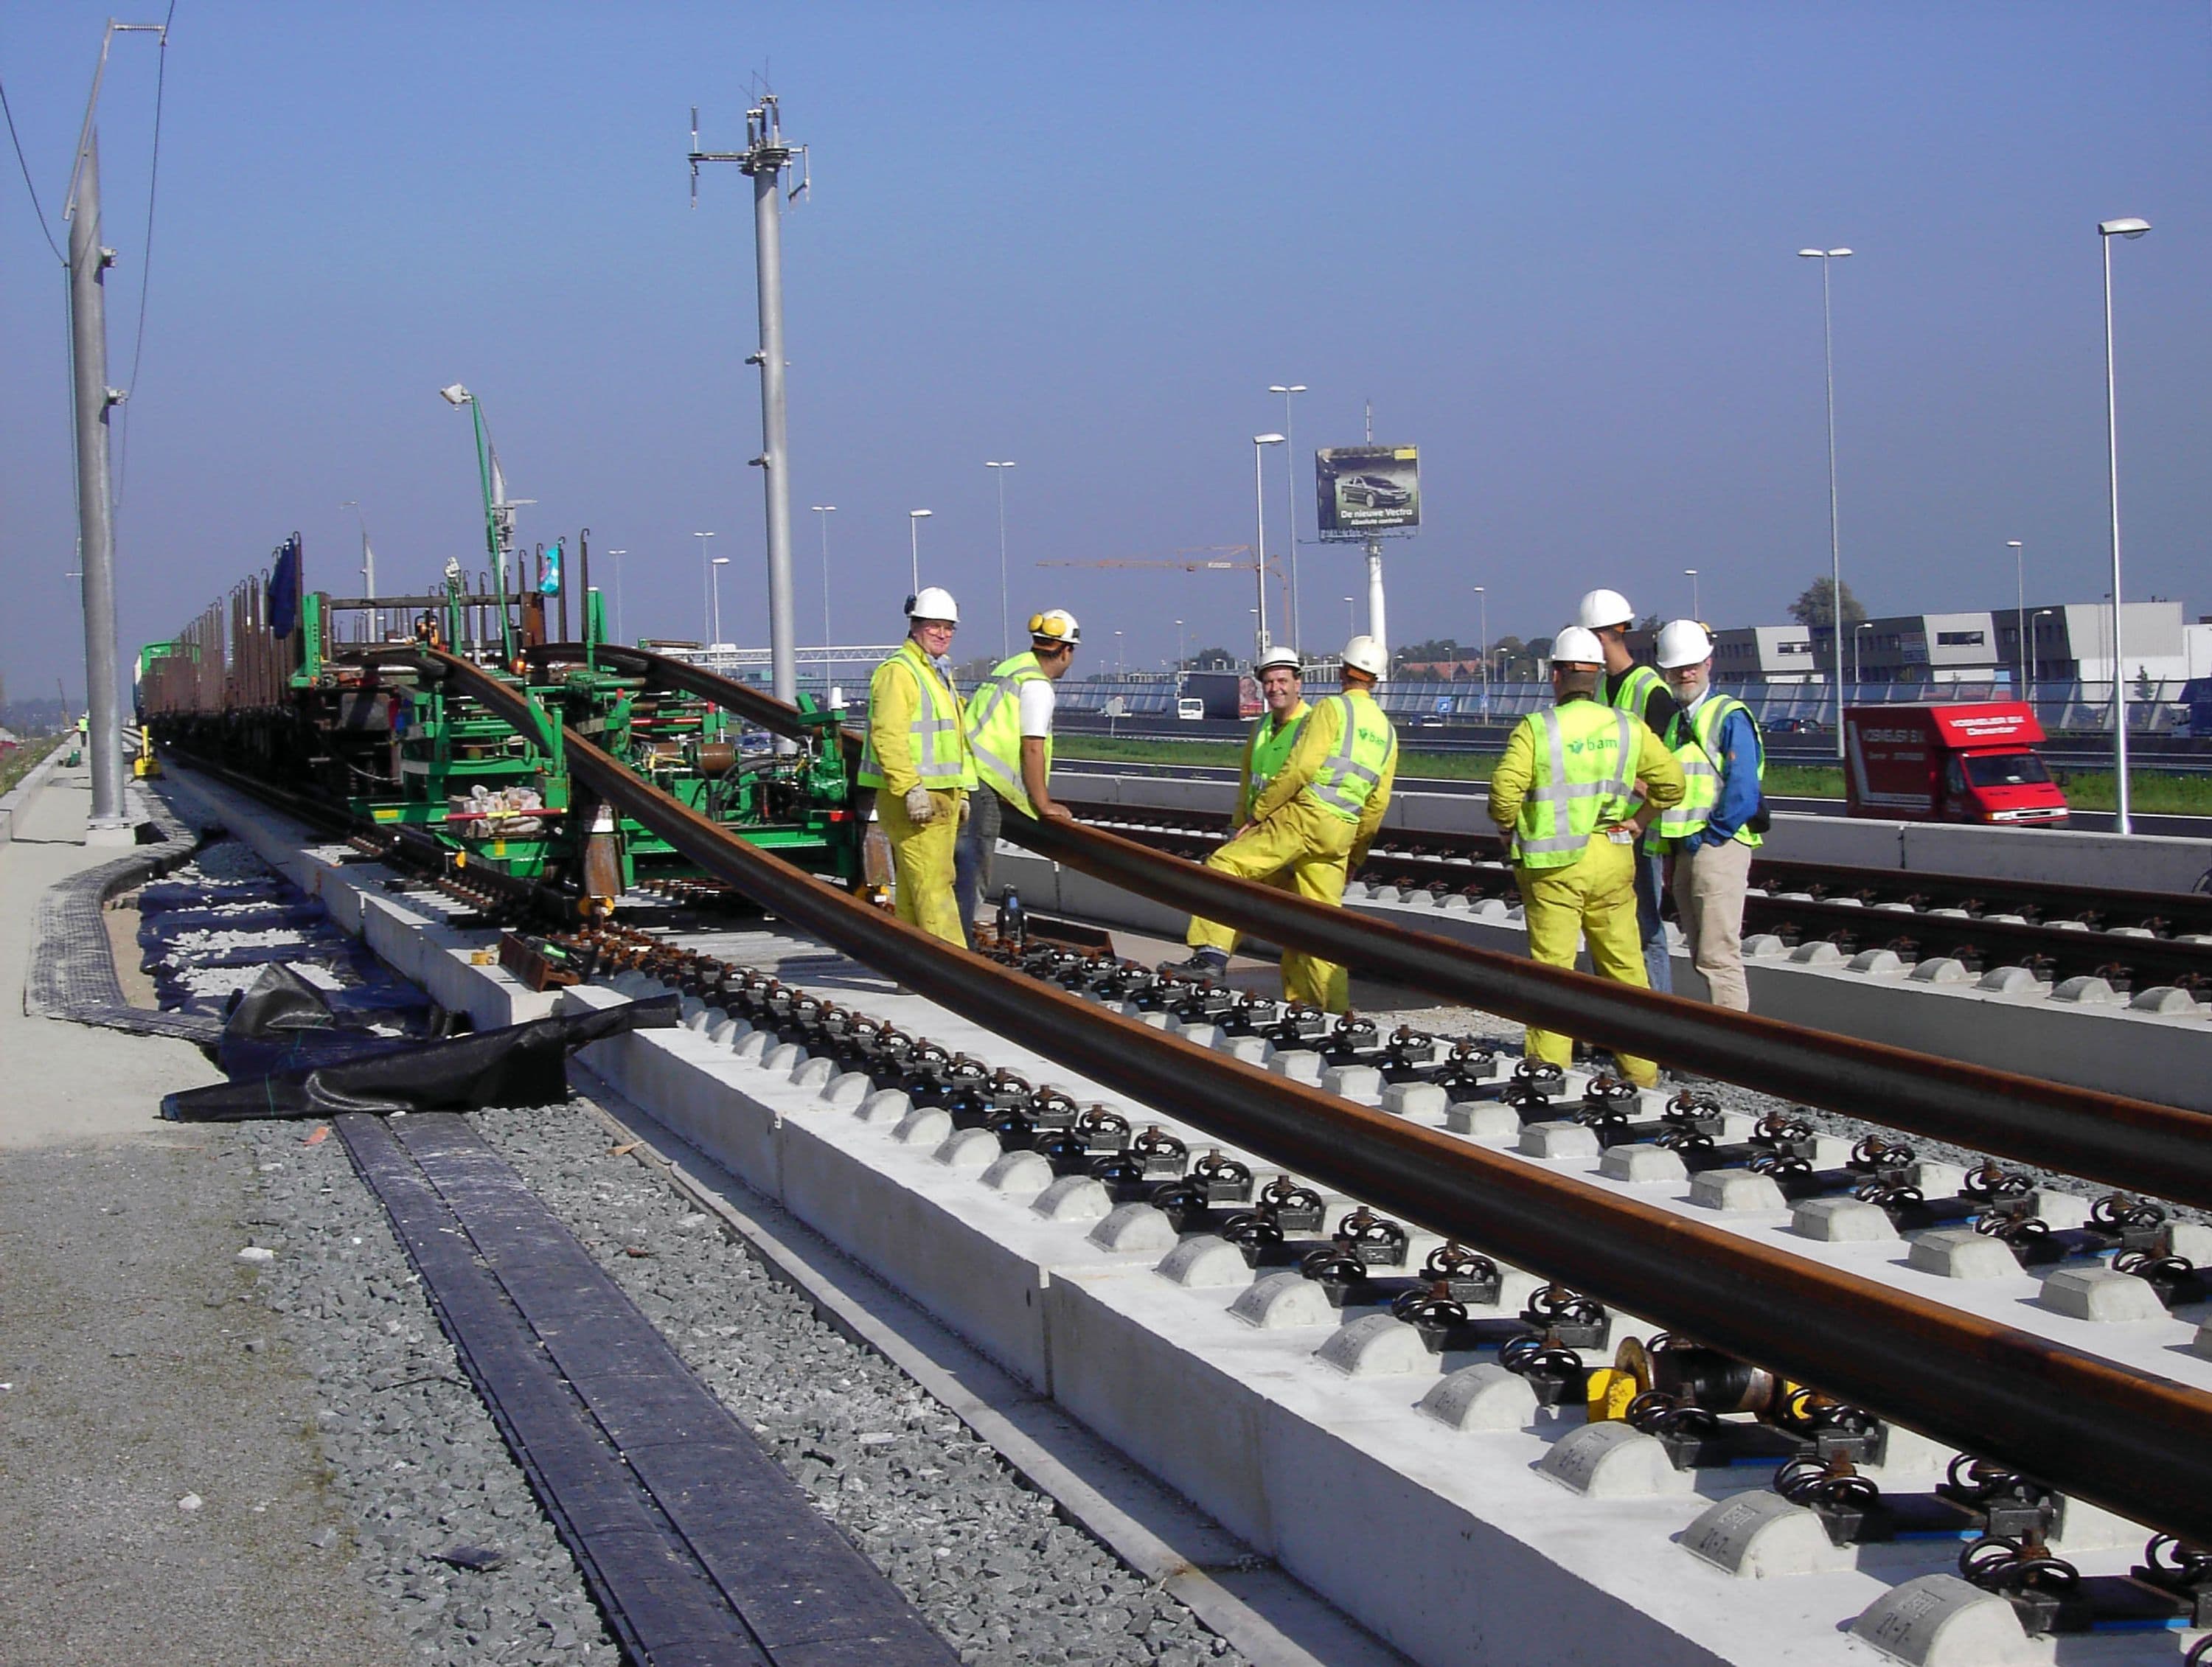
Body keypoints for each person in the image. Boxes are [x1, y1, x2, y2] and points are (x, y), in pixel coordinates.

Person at [1487, 626, 1685, 1087]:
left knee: (1554, 971)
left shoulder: (1537, 730)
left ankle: (1551, 1069)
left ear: (1555, 676)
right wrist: (1639, 820)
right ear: (1596, 676)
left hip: (1553, 865)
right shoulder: (1626, 727)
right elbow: (1673, 784)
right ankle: (1642, 1069)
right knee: (1624, 965)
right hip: (1613, 857)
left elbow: (1503, 794)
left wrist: (1507, 828)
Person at [1161, 636, 1398, 1013]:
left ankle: (1210, 958)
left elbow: (1301, 768)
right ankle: (1333, 1010)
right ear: (1377, 678)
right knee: (1319, 923)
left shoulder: (1330, 710)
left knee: (1226, 865)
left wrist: (1258, 816)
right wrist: (1356, 854)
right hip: (1341, 833)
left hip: (1301, 818)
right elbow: (1378, 803)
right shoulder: (1388, 731)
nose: (1275, 687)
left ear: (1341, 672)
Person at [1574, 588, 1684, 995]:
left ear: (1601, 638)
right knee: (1606, 924)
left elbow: (1671, 768)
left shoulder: (1650, 690)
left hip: (1641, 828)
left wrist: (1635, 787)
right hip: (1608, 827)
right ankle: (1616, 1015)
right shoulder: (1602, 689)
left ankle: (1657, 1015)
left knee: (1647, 927)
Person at [1652, 619, 1766, 1011]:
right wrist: (1673, 852)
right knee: (1703, 951)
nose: (1686, 673)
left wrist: (1712, 836)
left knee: (1718, 954)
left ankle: (1733, 1045)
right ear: (1665, 671)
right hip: (1687, 850)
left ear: (1708, 664)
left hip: (1718, 846)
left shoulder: (1728, 715)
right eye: (1678, 667)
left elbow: (1742, 790)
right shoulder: (1676, 723)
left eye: (1693, 665)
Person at [856, 588, 975, 946]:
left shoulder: (937, 673)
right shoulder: (900, 673)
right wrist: (911, 788)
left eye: (949, 627)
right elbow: (887, 736)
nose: (943, 634)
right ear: (915, 626)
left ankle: (911, 969)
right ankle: (958, 974)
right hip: (915, 798)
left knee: (914, 887)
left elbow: (953, 739)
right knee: (935, 886)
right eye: (934, 626)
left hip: (939, 796)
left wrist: (962, 790)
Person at [956, 608, 1081, 944]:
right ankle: (959, 948)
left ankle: (947, 941)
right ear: (1067, 651)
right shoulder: (1037, 685)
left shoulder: (1011, 667)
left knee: (955, 868)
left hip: (962, 773)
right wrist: (1043, 803)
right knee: (971, 871)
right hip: (980, 783)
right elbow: (1032, 748)